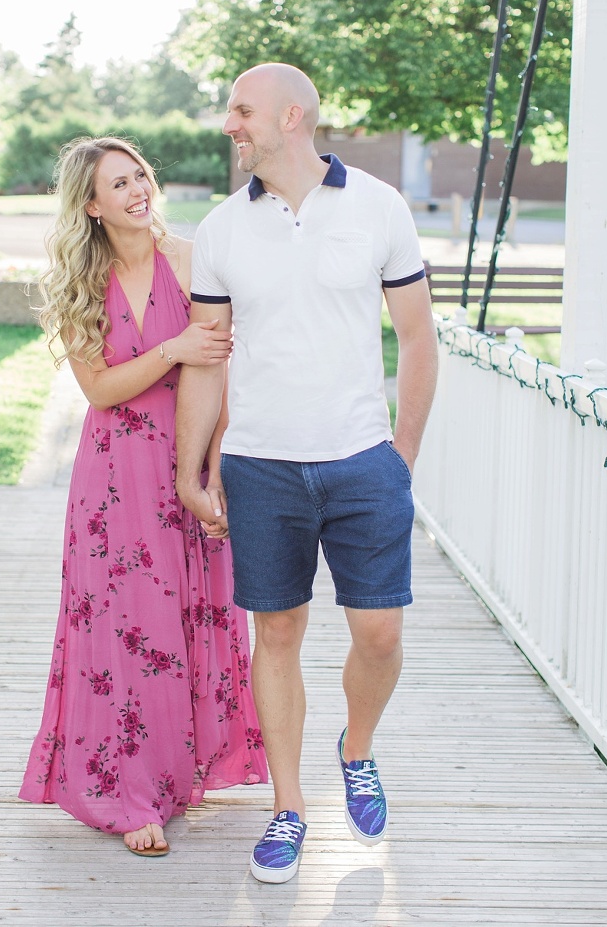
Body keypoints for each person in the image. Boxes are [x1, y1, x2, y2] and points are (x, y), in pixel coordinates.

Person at [175, 63, 438, 883]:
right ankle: (289, 809)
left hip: (363, 460)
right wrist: (194, 466)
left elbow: (419, 338)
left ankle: (355, 749)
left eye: (241, 111)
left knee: (380, 633)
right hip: (261, 466)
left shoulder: (378, 206)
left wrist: (403, 454)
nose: (230, 124)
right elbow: (209, 360)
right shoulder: (220, 228)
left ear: (292, 117)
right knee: (277, 633)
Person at [19, 136, 267, 857]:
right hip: (113, 481)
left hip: (187, 460)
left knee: (185, 616)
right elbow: (98, 389)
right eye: (117, 185)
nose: (136, 191)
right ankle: (128, 792)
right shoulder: (78, 284)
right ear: (91, 206)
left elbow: (224, 372)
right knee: (121, 630)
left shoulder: (192, 261)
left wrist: (215, 464)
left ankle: (175, 772)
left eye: (139, 176)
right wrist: (172, 348)